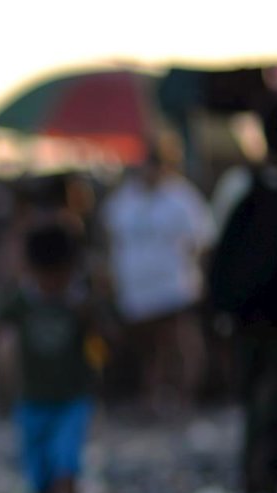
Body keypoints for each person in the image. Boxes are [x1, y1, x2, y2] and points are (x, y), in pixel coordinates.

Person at [0, 218, 102, 493]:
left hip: (72, 400)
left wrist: (92, 319)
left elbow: (108, 340)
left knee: (67, 470)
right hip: (32, 402)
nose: (52, 284)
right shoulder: (22, 301)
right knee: (39, 481)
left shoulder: (82, 301)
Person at [210, 97, 277, 493]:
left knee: (252, 403)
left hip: (240, 319)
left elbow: (211, 252)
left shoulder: (237, 185)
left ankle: (252, 485)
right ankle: (265, 488)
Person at [99, 139, 215, 417]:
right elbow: (110, 239)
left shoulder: (182, 198)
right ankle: (152, 397)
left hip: (175, 287)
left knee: (178, 343)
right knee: (148, 350)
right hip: (137, 292)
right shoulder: (123, 199)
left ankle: (186, 396)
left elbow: (203, 240)